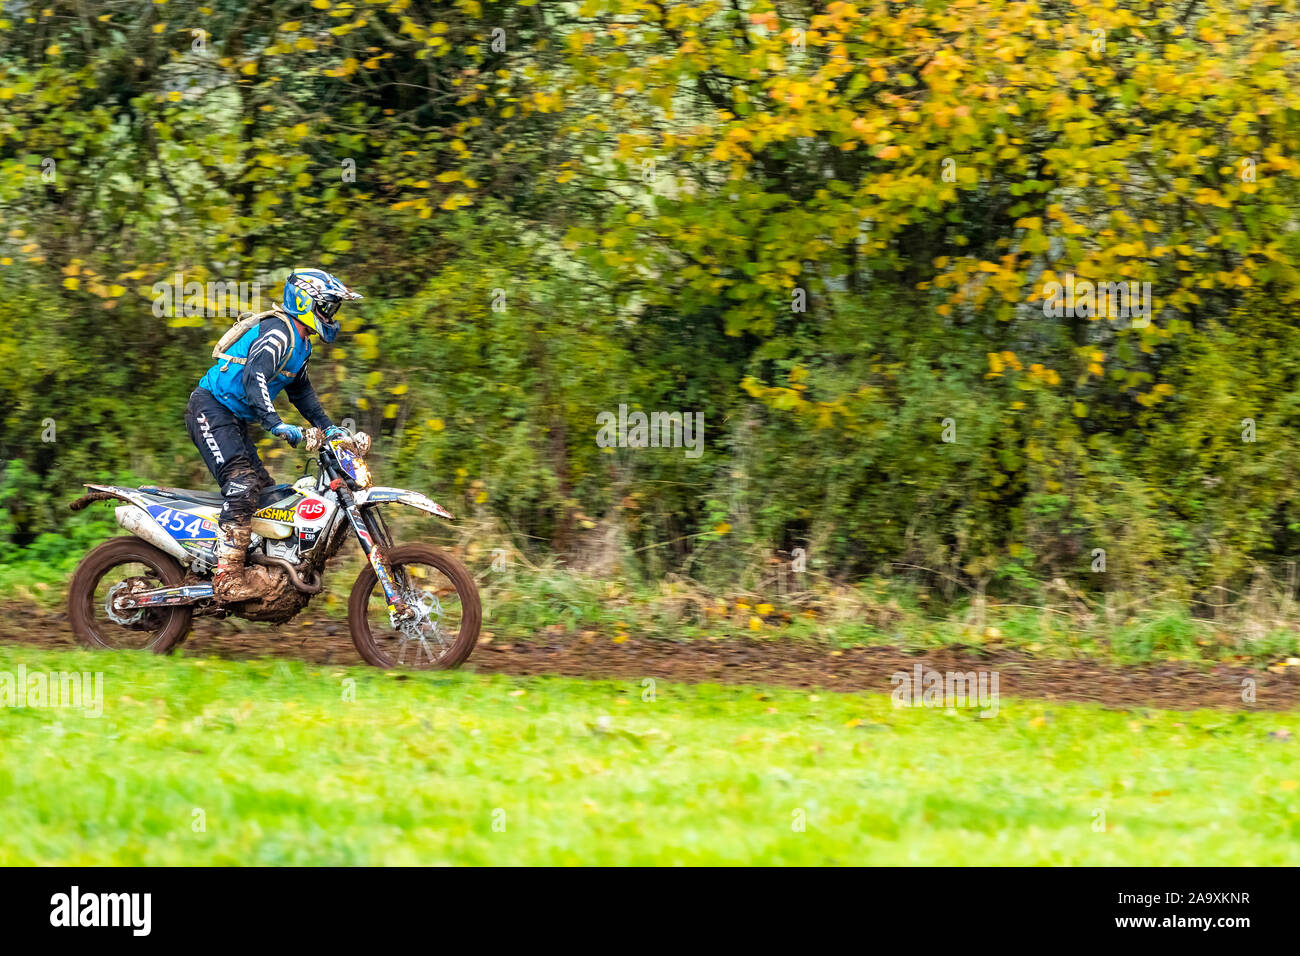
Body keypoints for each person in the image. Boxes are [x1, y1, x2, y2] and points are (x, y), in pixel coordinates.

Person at [184, 269, 362, 602]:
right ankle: (226, 576)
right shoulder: (279, 332)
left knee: (267, 494)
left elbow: (302, 392)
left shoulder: (301, 343)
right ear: (306, 301)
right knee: (241, 487)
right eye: (327, 306)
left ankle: (260, 569)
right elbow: (255, 378)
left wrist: (329, 428)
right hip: (210, 409)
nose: (331, 314)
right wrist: (276, 424)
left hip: (232, 419)